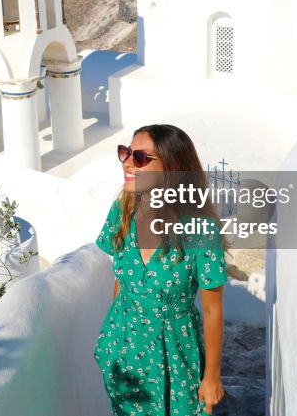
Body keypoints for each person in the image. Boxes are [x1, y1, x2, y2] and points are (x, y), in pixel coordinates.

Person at [94, 124, 228, 416]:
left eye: (140, 158)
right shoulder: (122, 211)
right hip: (122, 350)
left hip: (174, 355)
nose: (128, 163)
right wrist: (109, 338)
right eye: (126, 153)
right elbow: (123, 280)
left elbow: (212, 311)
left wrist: (212, 377)